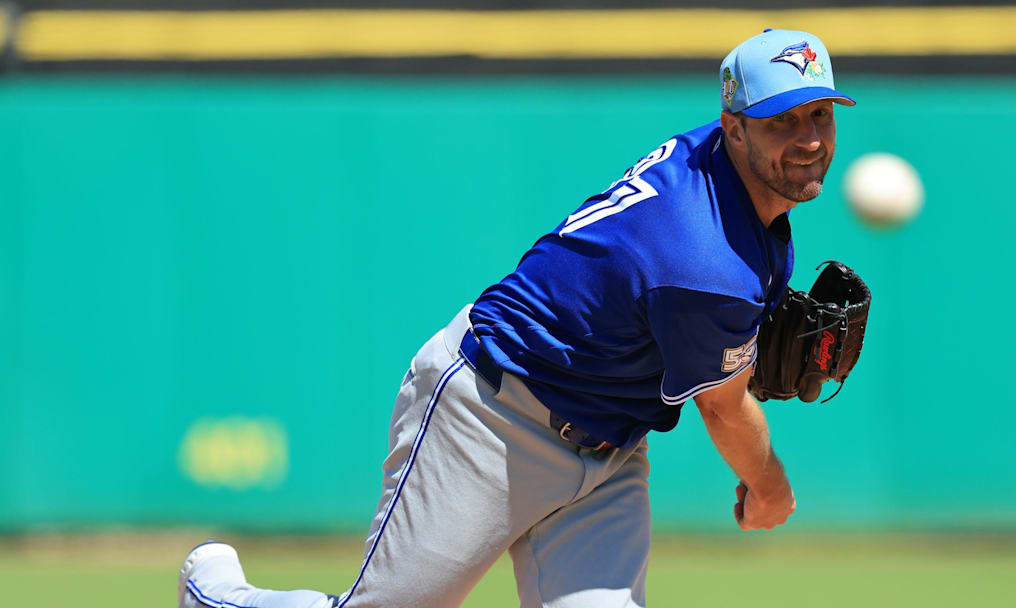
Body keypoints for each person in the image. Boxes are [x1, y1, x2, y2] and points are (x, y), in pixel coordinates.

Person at [178, 27, 855, 608]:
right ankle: (215, 594)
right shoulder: (704, 259)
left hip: (608, 450)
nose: (807, 139)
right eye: (781, 121)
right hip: (491, 418)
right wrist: (770, 488)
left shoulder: (719, 173)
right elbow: (723, 409)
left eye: (819, 115)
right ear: (732, 126)